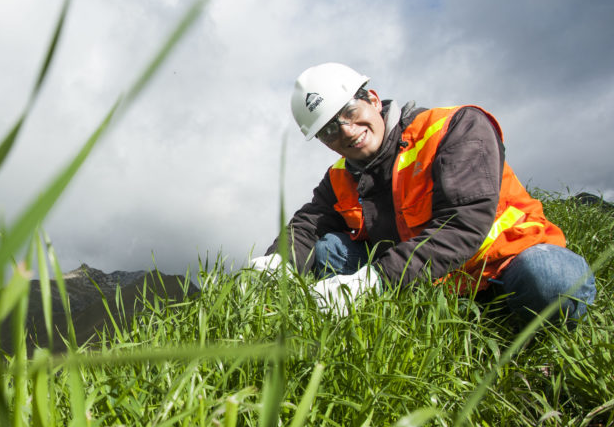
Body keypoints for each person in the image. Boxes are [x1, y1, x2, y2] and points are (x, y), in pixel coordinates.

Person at [251, 62, 595, 324]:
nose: (348, 131)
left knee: (551, 279)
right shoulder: (341, 176)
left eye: (350, 113)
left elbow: (464, 224)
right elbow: (308, 225)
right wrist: (269, 267)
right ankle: (390, 327)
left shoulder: (454, 128)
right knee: (328, 249)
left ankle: (517, 337)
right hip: (426, 283)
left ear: (372, 99)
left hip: (501, 267)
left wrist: (374, 281)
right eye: (329, 130)